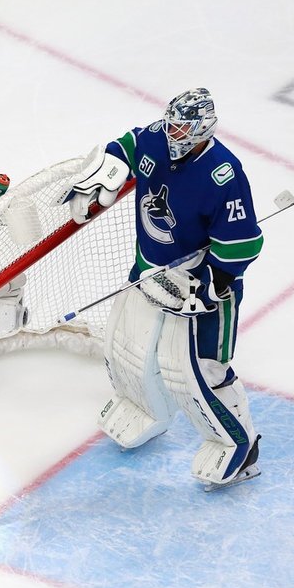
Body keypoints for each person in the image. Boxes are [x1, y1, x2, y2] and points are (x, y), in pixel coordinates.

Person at [64, 87, 263, 489]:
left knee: (197, 372)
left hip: (200, 285)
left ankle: (240, 448)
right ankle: (145, 411)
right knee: (126, 347)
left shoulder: (223, 172)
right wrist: (110, 164)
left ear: (202, 128)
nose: (172, 132)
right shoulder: (156, 137)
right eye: (170, 123)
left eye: (182, 127)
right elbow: (130, 144)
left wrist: (211, 286)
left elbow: (243, 242)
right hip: (148, 272)